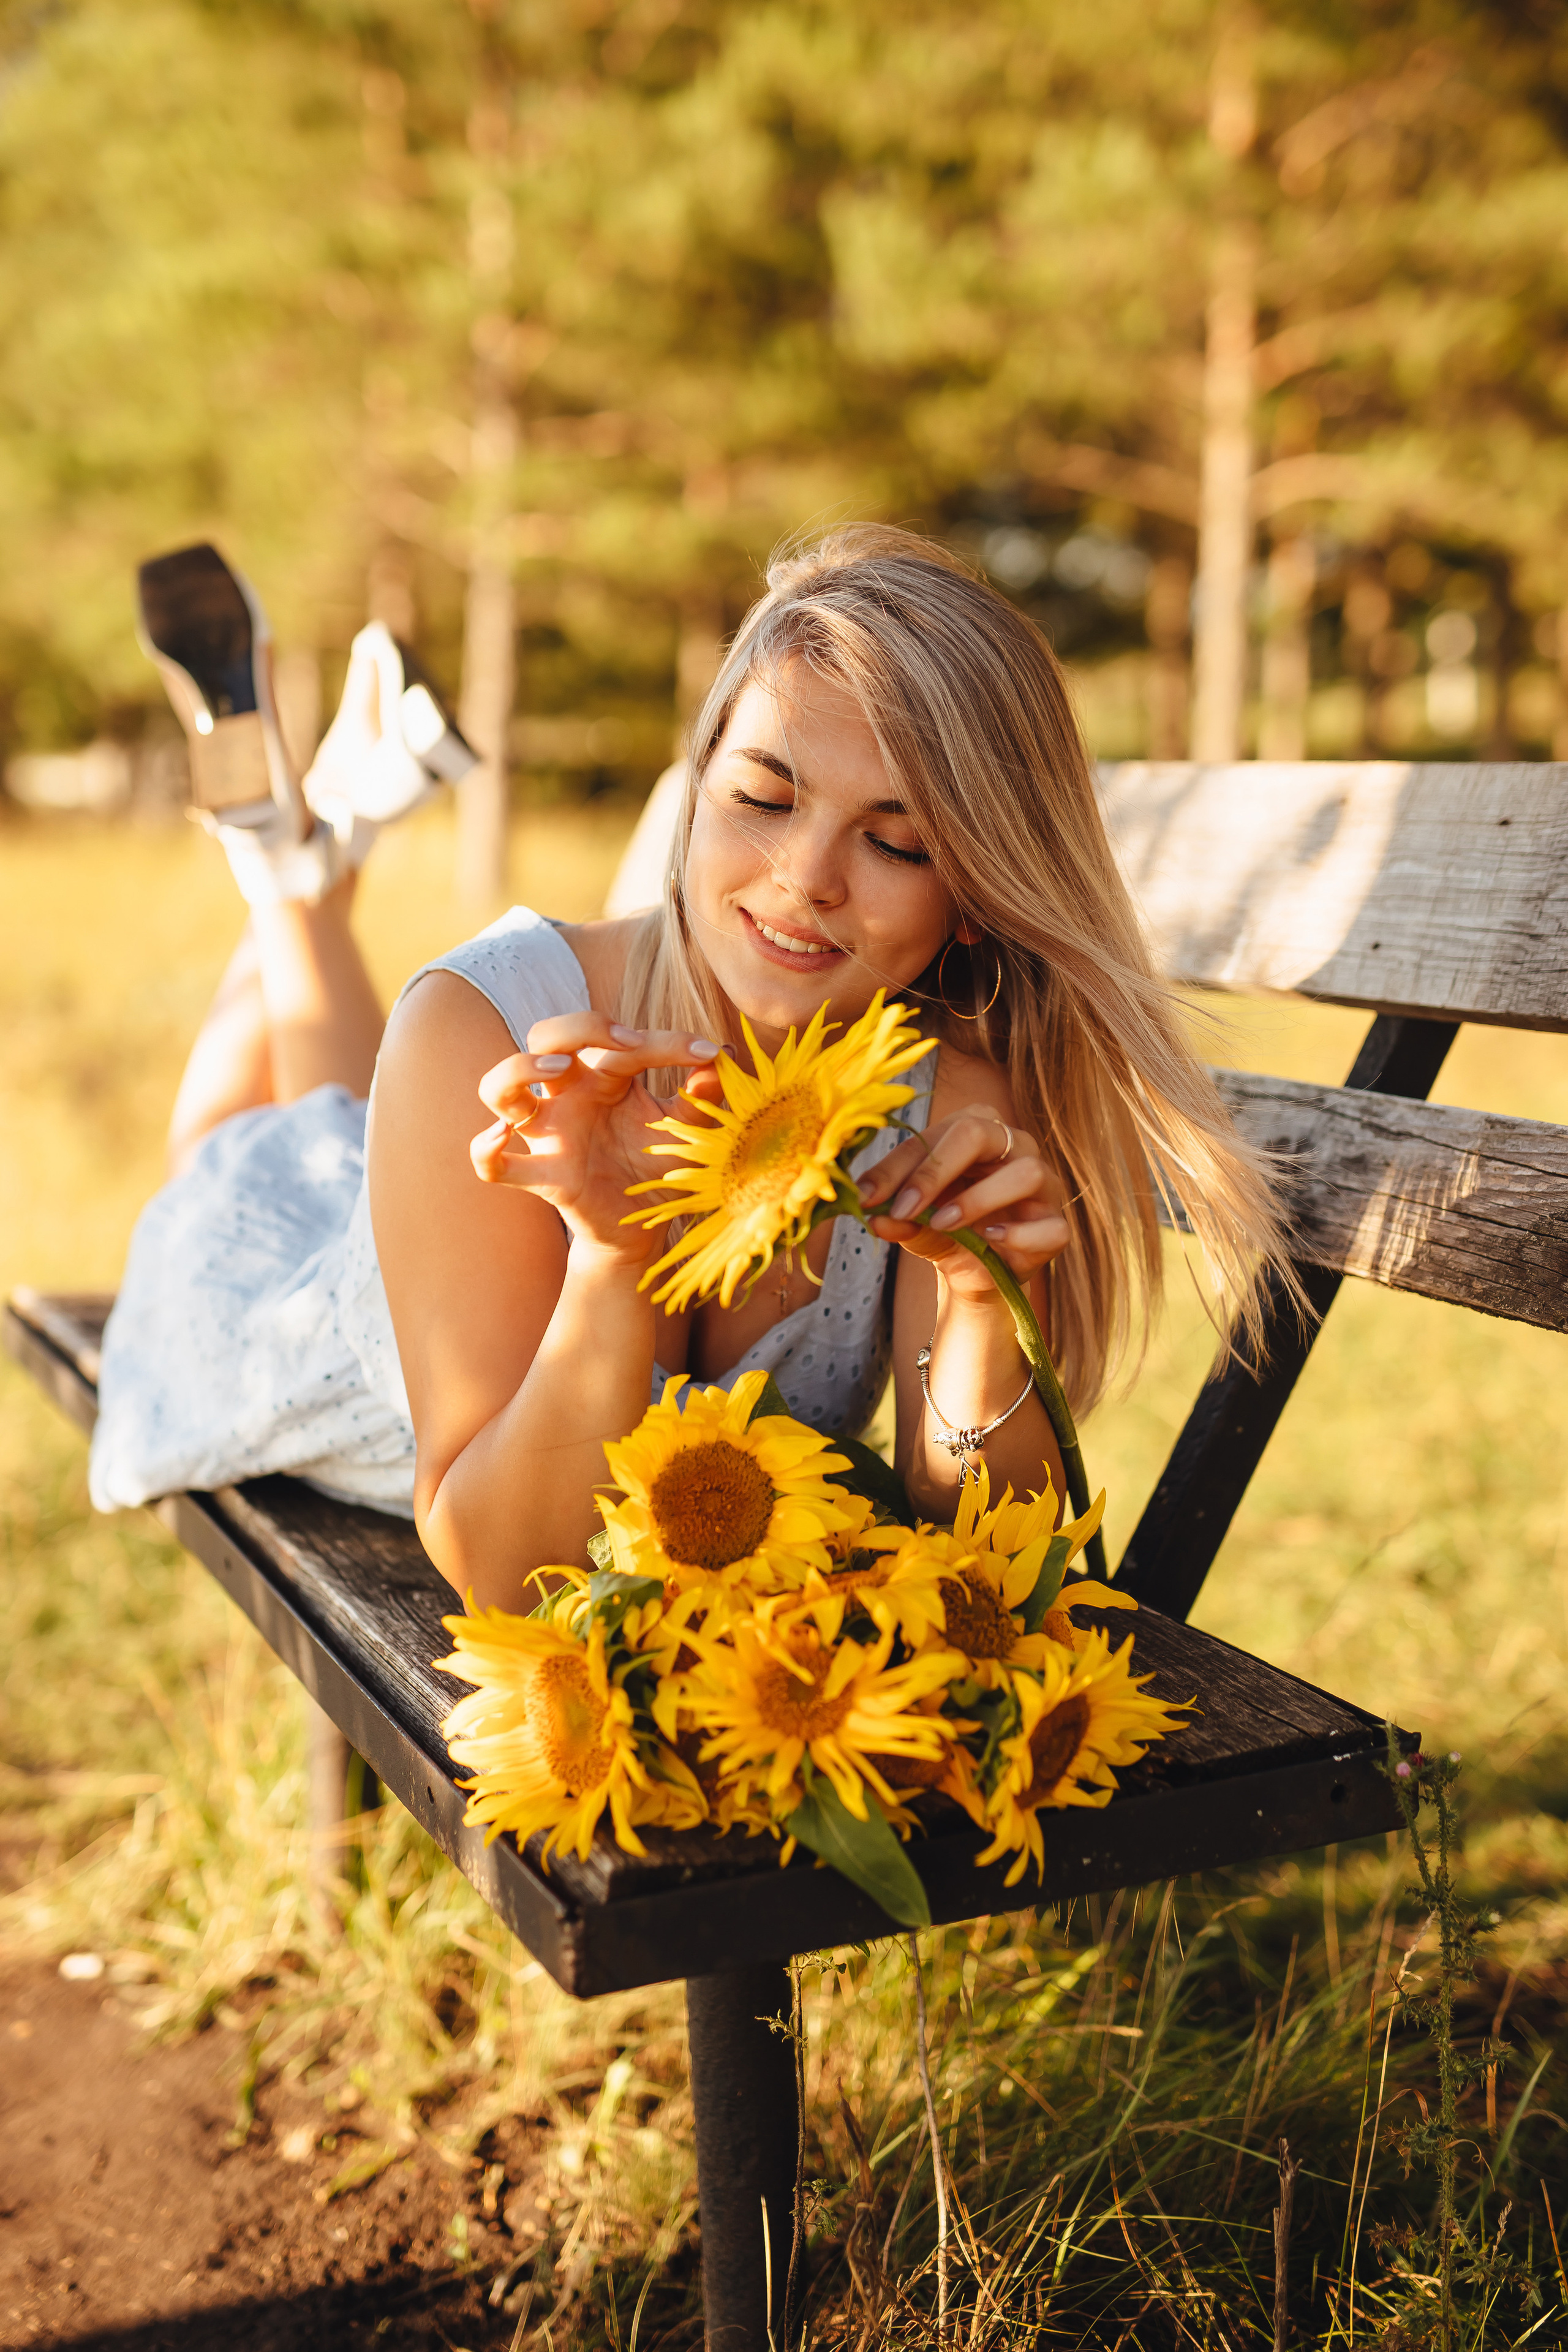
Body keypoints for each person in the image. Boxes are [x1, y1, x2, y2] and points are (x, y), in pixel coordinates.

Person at [91, 524, 1288, 1613]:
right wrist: (612, 1253)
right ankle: (288, 869)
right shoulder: (484, 1024)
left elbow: (988, 1575)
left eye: (893, 841)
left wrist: (979, 1298)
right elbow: (510, 1571)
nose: (805, 875)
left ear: (970, 894)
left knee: (343, 1110)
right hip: (253, 1296)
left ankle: (315, 845)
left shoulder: (943, 1111)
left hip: (379, 1153)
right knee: (252, 1146)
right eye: (763, 795)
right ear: (695, 785)